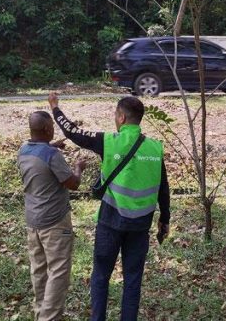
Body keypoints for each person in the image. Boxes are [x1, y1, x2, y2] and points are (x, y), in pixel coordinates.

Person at [48, 93, 170, 321]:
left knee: (101, 276)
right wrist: (165, 219)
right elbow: (164, 187)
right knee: (133, 279)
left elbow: (72, 132)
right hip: (141, 226)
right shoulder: (155, 147)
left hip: (110, 223)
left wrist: (55, 107)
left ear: (121, 117)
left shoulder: (108, 141)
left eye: (116, 115)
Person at [18, 111, 87, 321]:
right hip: (55, 222)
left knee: (39, 270)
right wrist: (78, 168)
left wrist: (52, 146)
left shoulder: (24, 150)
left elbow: (40, 153)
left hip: (33, 220)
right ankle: (49, 318)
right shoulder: (52, 156)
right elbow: (73, 184)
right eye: (52, 128)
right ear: (48, 129)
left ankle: (40, 313)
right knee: (58, 272)